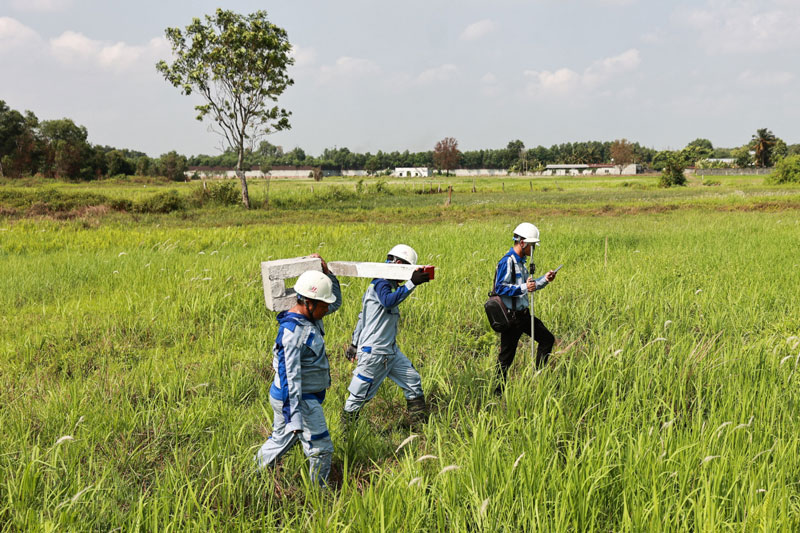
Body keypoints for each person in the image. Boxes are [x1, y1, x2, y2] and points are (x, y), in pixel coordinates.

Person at [254, 255, 341, 487]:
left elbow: (336, 303)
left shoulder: (311, 316)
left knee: (281, 440)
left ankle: (251, 474)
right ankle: (319, 495)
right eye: (324, 305)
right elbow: (289, 376)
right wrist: (295, 418)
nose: (328, 309)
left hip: (293, 396)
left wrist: (327, 274)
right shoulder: (293, 333)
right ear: (307, 301)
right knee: (321, 448)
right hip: (299, 398)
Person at [342, 244, 431, 428]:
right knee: (359, 395)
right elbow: (389, 302)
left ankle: (420, 427)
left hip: (390, 351)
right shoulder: (381, 283)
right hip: (374, 353)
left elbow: (363, 317)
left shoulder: (388, 285)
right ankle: (347, 434)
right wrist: (412, 282)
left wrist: (353, 343)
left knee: (412, 380)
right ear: (398, 264)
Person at [494, 223, 558, 391]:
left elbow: (530, 286)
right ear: (522, 242)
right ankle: (497, 392)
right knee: (506, 358)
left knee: (547, 339)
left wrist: (545, 279)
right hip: (511, 318)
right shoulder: (507, 262)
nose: (533, 249)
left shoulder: (522, 262)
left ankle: (538, 378)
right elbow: (499, 288)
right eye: (531, 245)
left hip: (523, 316)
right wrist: (523, 287)